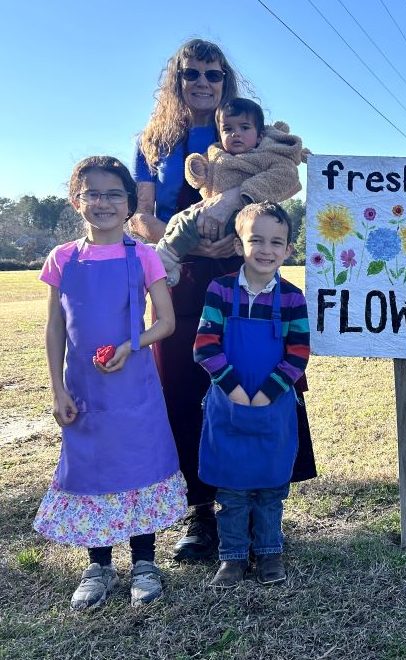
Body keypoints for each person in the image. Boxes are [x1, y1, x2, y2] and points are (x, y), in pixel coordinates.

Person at [130, 39, 317, 562]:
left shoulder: (244, 129)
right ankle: (199, 511)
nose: (203, 82)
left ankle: (262, 497)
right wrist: (183, 233)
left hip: (243, 266)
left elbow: (281, 183)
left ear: (226, 80)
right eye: (192, 74)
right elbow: (139, 216)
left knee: (253, 375)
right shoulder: (153, 141)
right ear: (178, 80)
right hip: (181, 273)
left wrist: (235, 216)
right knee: (185, 386)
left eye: (213, 74)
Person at [34, 156, 186, 610]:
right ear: (76, 200)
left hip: (133, 388)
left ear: (129, 203)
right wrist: (58, 389)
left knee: (137, 466)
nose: (103, 203)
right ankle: (97, 564)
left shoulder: (142, 255)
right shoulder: (63, 258)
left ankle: (143, 562)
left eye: (113, 194)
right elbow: (56, 328)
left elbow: (167, 322)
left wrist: (130, 344)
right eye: (92, 194)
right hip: (83, 390)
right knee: (91, 468)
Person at [193, 202, 310, 587]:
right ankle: (232, 557)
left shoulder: (293, 298)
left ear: (289, 248)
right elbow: (205, 346)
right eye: (256, 239)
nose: (266, 249)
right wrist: (235, 389)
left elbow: (298, 352)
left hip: (273, 408)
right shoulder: (220, 290)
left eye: (276, 242)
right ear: (239, 243)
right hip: (228, 405)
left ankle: (270, 553)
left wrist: (267, 393)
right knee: (232, 490)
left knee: (271, 489)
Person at [155, 97, 309, 287]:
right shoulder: (216, 154)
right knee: (179, 220)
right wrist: (197, 168)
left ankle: (166, 258)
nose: (236, 134)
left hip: (244, 217)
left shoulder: (266, 156)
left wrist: (244, 193)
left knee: (188, 223)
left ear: (260, 136)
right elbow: (198, 181)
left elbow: (286, 176)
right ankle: (172, 262)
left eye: (245, 128)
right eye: (228, 129)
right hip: (210, 216)